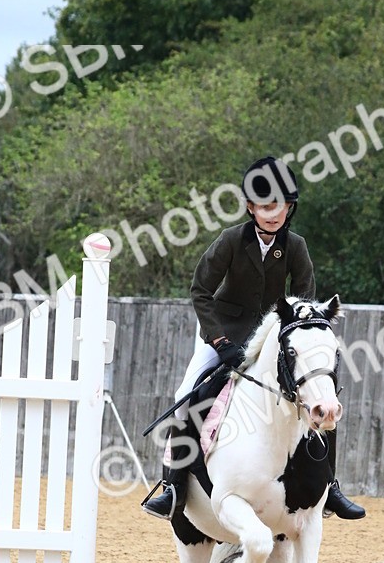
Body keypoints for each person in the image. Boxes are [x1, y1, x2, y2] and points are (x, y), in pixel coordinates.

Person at [142, 156, 365, 520]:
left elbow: (304, 302)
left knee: (320, 397)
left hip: (274, 340)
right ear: (251, 207)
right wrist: (220, 343)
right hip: (225, 335)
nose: (272, 214)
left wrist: (293, 338)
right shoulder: (231, 240)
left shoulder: (296, 246)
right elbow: (200, 291)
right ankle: (173, 486)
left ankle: (330, 485)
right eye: (264, 206)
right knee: (186, 395)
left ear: (289, 208)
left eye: (279, 206)